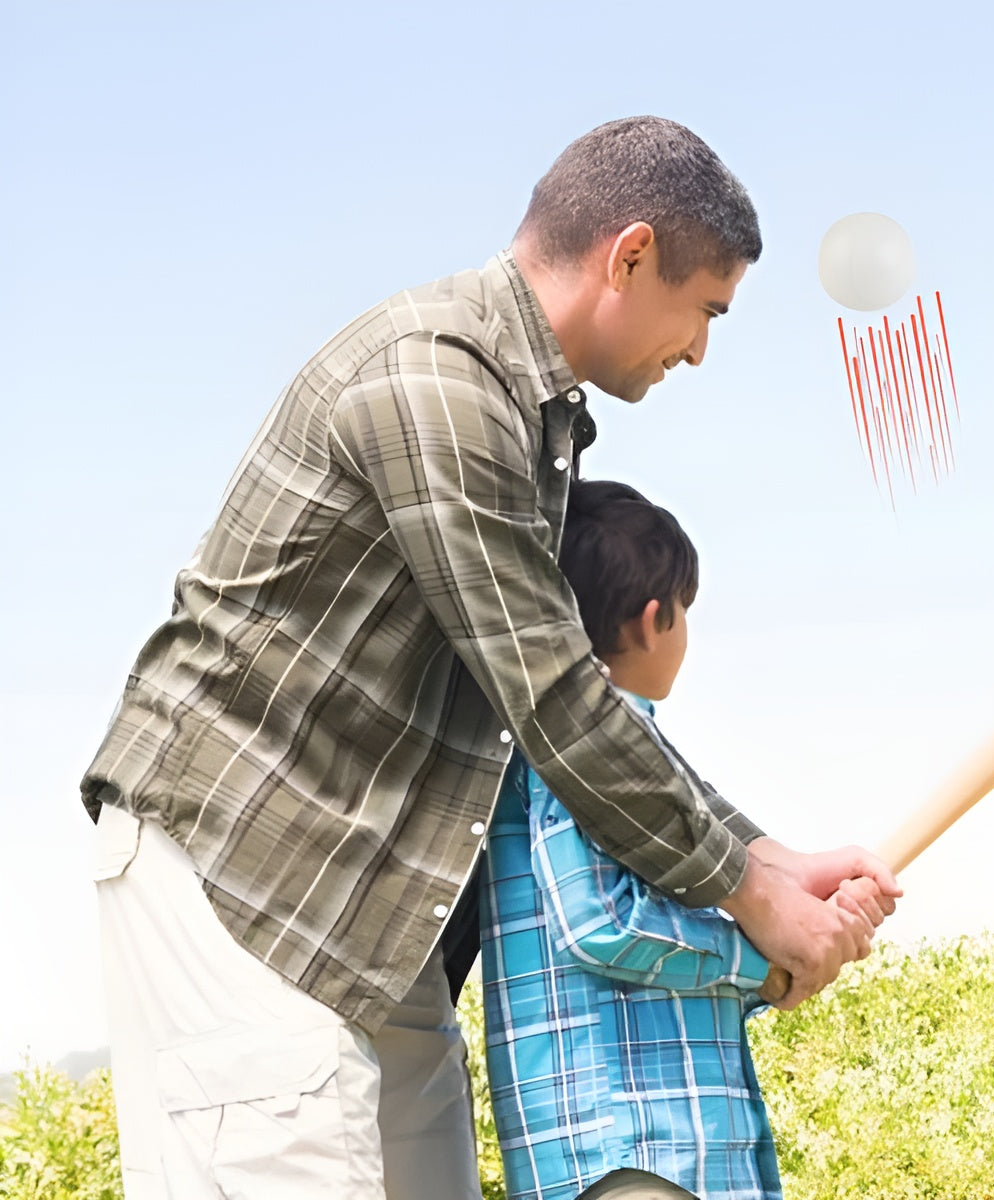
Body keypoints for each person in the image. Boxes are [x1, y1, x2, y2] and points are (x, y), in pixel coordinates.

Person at [82, 115, 901, 1199]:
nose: (702, 348)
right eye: (705, 309)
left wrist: (771, 857)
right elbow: (558, 698)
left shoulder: (530, 416)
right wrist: (752, 894)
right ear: (631, 255)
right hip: (242, 866)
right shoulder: (436, 381)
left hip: (371, 905)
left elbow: (561, 690)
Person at [482, 480, 790, 1199]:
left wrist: (766, 967)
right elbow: (600, 924)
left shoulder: (583, 745)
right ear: (656, 619)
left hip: (645, 1148)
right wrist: (756, 962)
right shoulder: (585, 743)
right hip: (634, 1150)